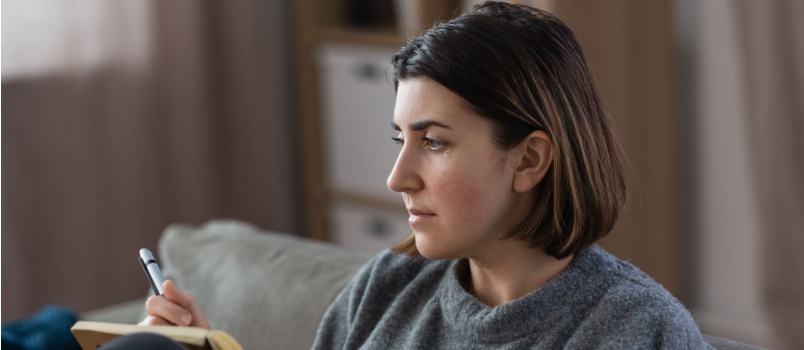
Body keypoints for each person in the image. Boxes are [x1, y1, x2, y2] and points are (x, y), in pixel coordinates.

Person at [142, 2, 713, 349]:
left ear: (530, 160)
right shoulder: (387, 286)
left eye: (434, 142)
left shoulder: (636, 330)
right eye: (402, 139)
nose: (397, 178)